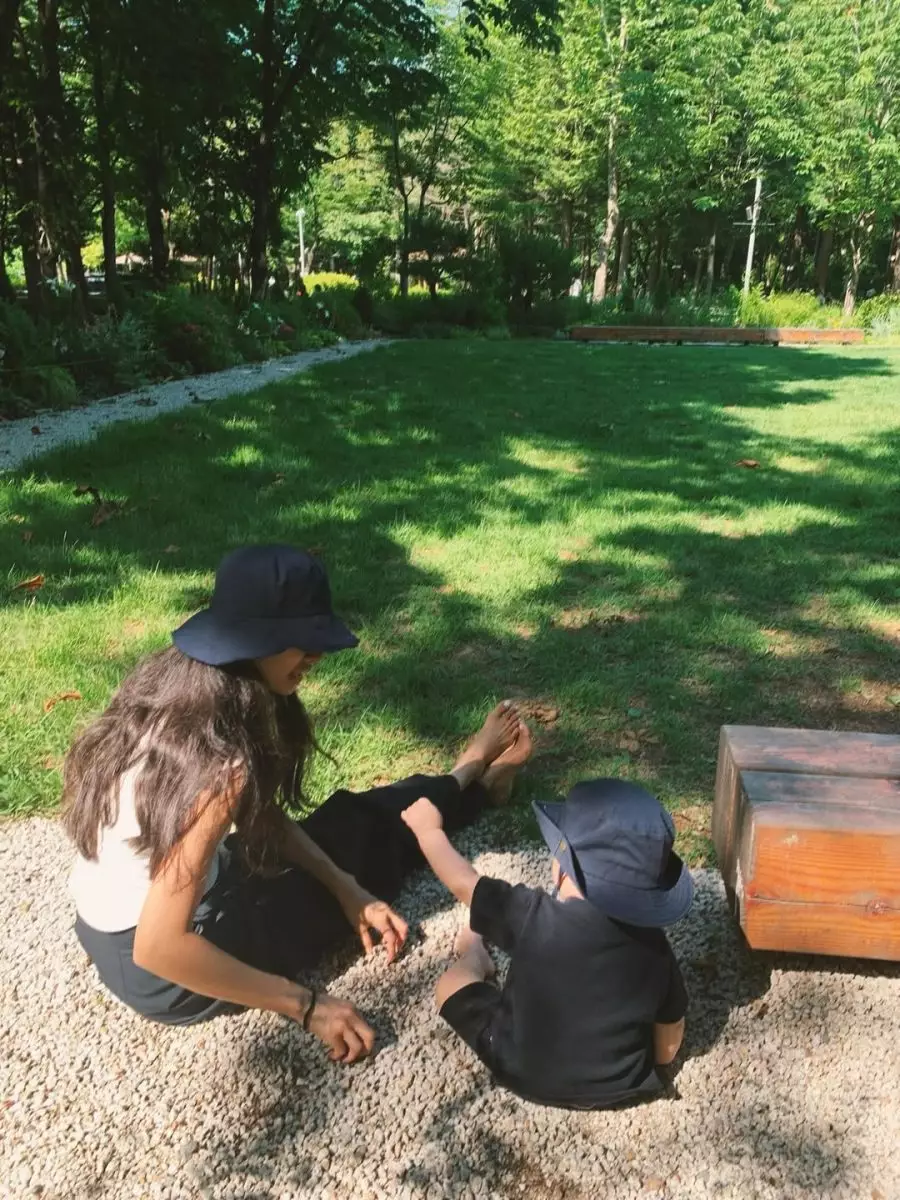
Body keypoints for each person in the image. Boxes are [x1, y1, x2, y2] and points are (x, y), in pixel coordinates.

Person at [64, 544, 531, 1064]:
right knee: (367, 847)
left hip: (125, 926)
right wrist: (308, 1006)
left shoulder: (178, 688)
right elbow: (159, 947)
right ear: (256, 642)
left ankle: (463, 779)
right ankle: (472, 783)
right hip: (164, 966)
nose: (317, 656)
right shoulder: (219, 770)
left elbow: (255, 815)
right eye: (302, 641)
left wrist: (345, 887)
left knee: (347, 824)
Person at [401, 778, 693, 1109]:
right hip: (623, 1086)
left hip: (519, 1069)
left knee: (450, 983)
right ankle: (475, 949)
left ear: (562, 870)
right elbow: (667, 1048)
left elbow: (464, 882)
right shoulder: (655, 950)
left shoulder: (530, 915)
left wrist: (429, 832)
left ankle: (474, 955)